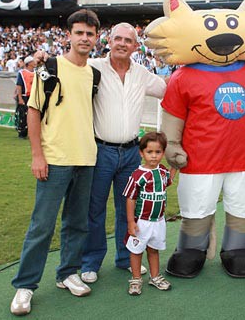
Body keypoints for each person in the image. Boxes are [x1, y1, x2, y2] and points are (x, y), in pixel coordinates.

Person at [10, 9, 101, 316]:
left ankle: (68, 273)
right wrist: (37, 155)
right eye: (79, 33)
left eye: (90, 34)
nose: (85, 38)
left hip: (86, 159)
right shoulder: (49, 68)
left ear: (96, 38)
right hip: (55, 160)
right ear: (69, 35)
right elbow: (33, 111)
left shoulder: (94, 73)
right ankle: (25, 286)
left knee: (77, 223)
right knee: (42, 226)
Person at [80, 22, 167, 284]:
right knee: (94, 209)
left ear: (135, 46)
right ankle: (91, 262)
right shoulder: (92, 67)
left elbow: (168, 87)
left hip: (131, 152)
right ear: (108, 40)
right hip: (100, 151)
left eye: (127, 40)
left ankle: (124, 258)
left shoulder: (141, 73)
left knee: (128, 209)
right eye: (117, 38)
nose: (121, 44)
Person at [123, 132, 175, 295]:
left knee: (153, 250)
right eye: (149, 152)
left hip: (158, 221)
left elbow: (168, 182)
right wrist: (131, 222)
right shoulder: (138, 175)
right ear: (141, 153)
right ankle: (136, 280)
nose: (153, 156)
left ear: (163, 153)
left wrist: (176, 166)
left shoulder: (162, 171)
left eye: (158, 152)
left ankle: (155, 277)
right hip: (141, 222)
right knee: (136, 251)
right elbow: (130, 198)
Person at [15, 56, 35, 139]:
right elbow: (19, 85)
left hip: (33, 96)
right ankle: (22, 133)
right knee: (23, 115)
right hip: (25, 96)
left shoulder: (36, 72)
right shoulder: (22, 73)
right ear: (29, 63)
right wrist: (20, 98)